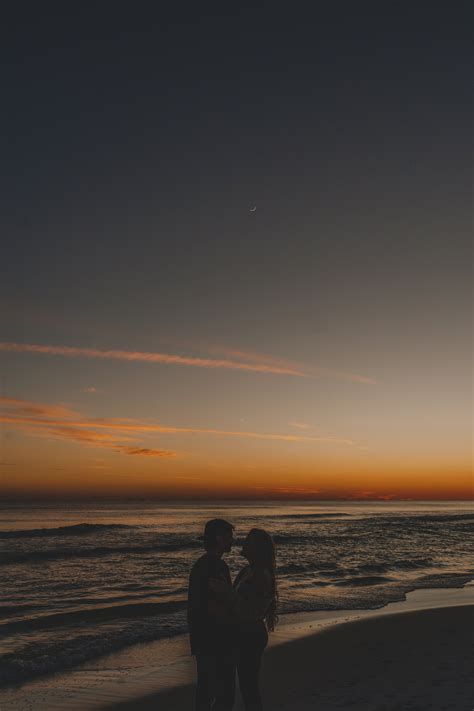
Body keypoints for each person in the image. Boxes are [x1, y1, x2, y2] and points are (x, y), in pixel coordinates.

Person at [210, 528, 278, 711]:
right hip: (241, 633)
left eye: (249, 541)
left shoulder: (261, 575)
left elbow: (250, 610)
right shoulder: (248, 570)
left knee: (248, 687)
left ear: (257, 548)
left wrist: (227, 592)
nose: (243, 543)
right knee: (243, 686)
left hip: (251, 635)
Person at [187, 518, 236, 711]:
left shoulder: (202, 565)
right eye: (229, 537)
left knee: (207, 690)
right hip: (215, 638)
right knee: (223, 694)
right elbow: (214, 606)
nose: (232, 541)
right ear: (219, 539)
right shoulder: (215, 567)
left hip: (203, 636)